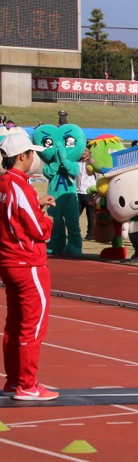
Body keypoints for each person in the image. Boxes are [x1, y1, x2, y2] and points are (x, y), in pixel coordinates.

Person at [0, 132, 59, 401]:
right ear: (23, 156)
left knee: (14, 324)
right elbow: (37, 229)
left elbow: (13, 214)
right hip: (28, 261)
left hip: (9, 259)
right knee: (32, 326)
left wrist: (37, 203)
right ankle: (27, 384)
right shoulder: (18, 184)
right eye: (31, 153)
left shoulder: (4, 184)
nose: (34, 157)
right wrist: (47, 222)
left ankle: (14, 381)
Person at [76, 147, 97, 241]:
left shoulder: (93, 163)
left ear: (89, 152)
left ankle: (91, 234)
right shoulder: (76, 162)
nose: (84, 152)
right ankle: (75, 233)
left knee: (91, 215)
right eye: (83, 150)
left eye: (86, 150)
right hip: (77, 192)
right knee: (75, 214)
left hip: (89, 192)